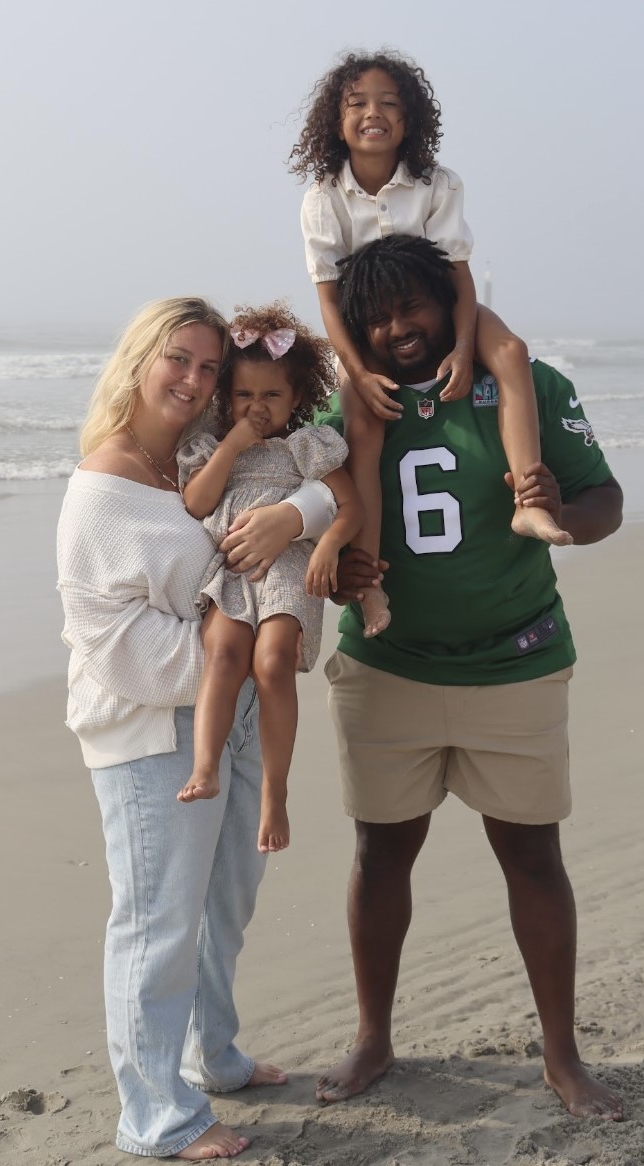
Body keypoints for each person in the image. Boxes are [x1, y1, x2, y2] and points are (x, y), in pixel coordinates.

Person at [315, 236, 625, 1121]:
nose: (397, 328)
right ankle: (373, 1037)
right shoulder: (347, 406)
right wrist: (334, 569)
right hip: (388, 666)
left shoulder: (526, 387)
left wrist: (562, 512)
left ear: (450, 303)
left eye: (412, 305)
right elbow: (316, 521)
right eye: (377, 317)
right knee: (381, 853)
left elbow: (603, 499)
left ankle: (561, 1054)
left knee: (531, 854)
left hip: (515, 659)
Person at [56, 297, 337, 1160]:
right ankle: (156, 1116)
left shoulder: (195, 455)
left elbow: (309, 480)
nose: (194, 378)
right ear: (139, 360)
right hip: (150, 731)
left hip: (233, 711)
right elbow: (109, 639)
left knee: (226, 905)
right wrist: (233, 655)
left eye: (209, 367)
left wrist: (302, 520)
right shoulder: (103, 487)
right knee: (157, 924)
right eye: (178, 358)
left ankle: (211, 1055)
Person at [291, 50, 572, 637]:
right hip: (367, 326)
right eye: (358, 103)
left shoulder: (437, 183)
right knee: (364, 426)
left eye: (389, 103)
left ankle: (528, 502)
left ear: (410, 118)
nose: (374, 113)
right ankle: (370, 581)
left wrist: (465, 347)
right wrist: (357, 372)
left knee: (511, 352)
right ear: (335, 121)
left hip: (442, 309)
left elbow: (458, 277)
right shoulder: (323, 197)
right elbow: (329, 300)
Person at [176, 302, 362, 854]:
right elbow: (197, 502)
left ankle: (274, 792)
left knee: (273, 662)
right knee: (224, 655)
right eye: (243, 395)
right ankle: (205, 766)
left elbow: (350, 508)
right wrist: (234, 443)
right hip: (233, 569)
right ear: (224, 397)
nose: (256, 408)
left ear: (298, 398)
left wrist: (328, 544)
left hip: (288, 568)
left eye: (272, 396)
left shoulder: (307, 446)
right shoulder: (213, 449)